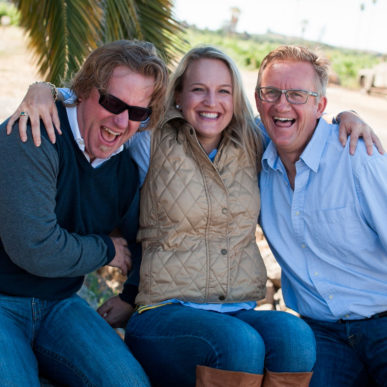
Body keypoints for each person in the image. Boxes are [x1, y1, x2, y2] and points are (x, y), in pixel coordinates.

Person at [5, 45, 382, 387]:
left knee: (294, 336)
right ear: (179, 96)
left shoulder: (254, 142)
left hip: (228, 306)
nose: (211, 102)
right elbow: (104, 101)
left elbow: (293, 121)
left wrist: (347, 116)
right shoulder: (146, 140)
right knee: (239, 342)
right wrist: (46, 91)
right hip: (164, 306)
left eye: (223, 91)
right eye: (198, 89)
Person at [0, 39, 168, 386]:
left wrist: (130, 295)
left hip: (60, 303)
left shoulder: (124, 166)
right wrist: (106, 249)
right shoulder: (32, 133)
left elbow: (142, 234)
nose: (122, 122)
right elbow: (36, 248)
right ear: (84, 90)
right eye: (112, 102)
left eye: (138, 112)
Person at [256, 45, 387, 387]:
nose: (281, 104)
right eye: (271, 92)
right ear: (257, 100)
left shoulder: (358, 156)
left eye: (298, 94)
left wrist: (349, 115)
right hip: (321, 334)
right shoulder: (252, 157)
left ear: (320, 105)